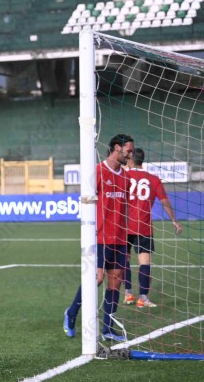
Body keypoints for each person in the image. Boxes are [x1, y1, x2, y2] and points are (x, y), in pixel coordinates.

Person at [63, 134, 134, 341]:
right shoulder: (97, 172)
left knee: (115, 283)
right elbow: (86, 204)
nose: (130, 155)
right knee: (96, 278)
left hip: (120, 239)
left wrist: (127, 242)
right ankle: (71, 313)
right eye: (128, 151)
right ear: (117, 148)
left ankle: (108, 329)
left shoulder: (126, 178)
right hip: (100, 237)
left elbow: (124, 210)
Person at [123, 147, 183, 308]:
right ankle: (143, 298)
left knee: (124, 259)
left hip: (124, 225)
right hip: (143, 225)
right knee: (144, 261)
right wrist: (174, 220)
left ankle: (128, 294)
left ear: (130, 159)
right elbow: (164, 201)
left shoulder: (124, 176)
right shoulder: (153, 179)